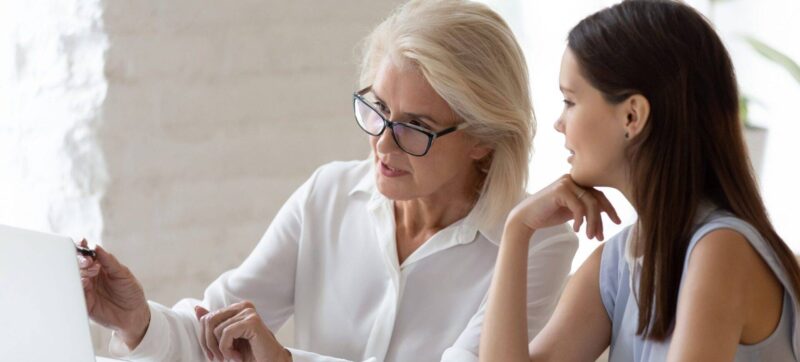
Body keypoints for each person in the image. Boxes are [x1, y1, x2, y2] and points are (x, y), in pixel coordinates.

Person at [78, 1, 578, 361]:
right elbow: (217, 327)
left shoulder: (534, 241)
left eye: (416, 128)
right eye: (378, 110)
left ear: (483, 139)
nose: (383, 143)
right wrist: (136, 320)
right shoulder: (328, 195)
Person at [479, 0, 800, 361]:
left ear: (632, 115)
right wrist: (517, 229)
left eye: (569, 101)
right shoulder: (618, 260)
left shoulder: (720, 250)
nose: (559, 123)